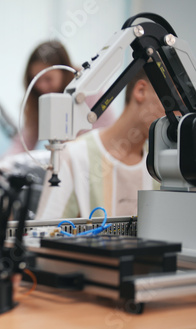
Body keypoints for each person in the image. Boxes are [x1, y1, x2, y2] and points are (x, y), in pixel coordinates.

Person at [35, 68, 163, 220]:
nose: (180, 116)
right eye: (175, 103)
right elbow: (43, 236)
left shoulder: (162, 167)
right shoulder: (72, 157)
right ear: (141, 91)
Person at [5, 40, 116, 155]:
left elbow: (100, 140)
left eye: (48, 79)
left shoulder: (88, 90)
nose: (41, 86)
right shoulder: (40, 99)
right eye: (36, 79)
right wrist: (1, 165)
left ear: (63, 72)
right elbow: (24, 141)